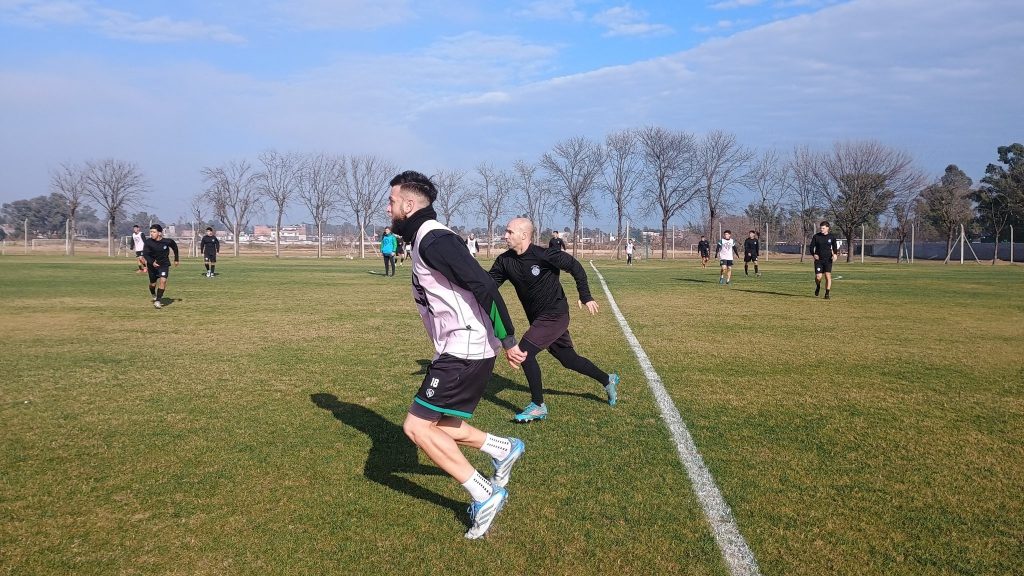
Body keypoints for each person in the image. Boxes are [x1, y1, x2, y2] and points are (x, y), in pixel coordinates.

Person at [387, 170, 527, 540]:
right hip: (463, 346)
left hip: (465, 347)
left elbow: (484, 285)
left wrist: (508, 338)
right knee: (444, 426)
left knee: (417, 427)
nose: (388, 208)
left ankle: (485, 494)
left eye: (392, 201)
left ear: (409, 204)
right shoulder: (423, 237)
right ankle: (504, 448)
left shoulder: (434, 239)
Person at [489, 217, 620, 423]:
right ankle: (607, 379)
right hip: (538, 319)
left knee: (524, 353)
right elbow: (488, 285)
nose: (505, 236)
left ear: (524, 235)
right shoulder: (504, 261)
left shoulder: (545, 255)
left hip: (556, 314)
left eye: (509, 232)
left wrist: (585, 296)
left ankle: (538, 405)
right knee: (568, 359)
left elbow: (575, 267)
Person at [142, 224, 179, 309]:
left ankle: (158, 301)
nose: (151, 233)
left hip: (164, 264)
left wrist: (176, 259)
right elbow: (145, 254)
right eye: (151, 232)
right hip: (152, 266)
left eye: (154, 232)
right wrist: (152, 262)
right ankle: (153, 293)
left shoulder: (167, 241)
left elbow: (175, 247)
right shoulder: (148, 242)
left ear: (159, 233)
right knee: (152, 284)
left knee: (163, 280)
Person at [810, 221, 840, 300]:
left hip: (828, 260)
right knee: (818, 277)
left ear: (827, 228)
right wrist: (814, 254)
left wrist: (835, 254)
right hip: (819, 260)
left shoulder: (832, 237)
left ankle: (827, 294)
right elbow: (811, 247)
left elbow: (834, 247)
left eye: (823, 228)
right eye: (821, 228)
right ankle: (818, 286)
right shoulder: (816, 236)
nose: (821, 229)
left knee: (827, 276)